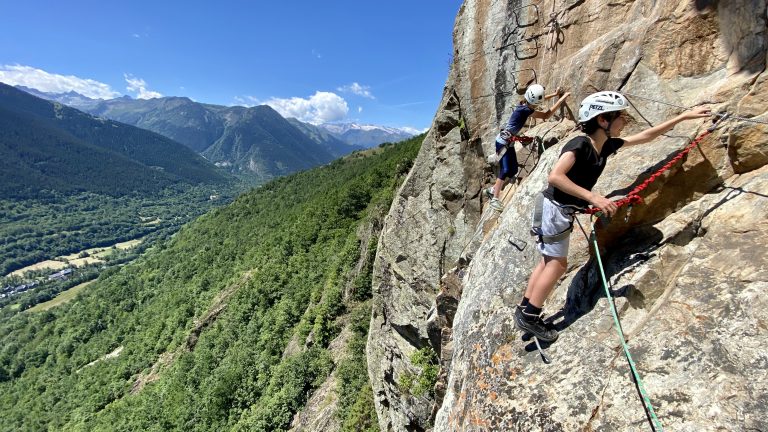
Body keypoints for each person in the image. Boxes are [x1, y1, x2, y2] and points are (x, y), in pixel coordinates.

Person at [514, 91, 711, 342]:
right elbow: (555, 176)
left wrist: (682, 117)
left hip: (557, 209)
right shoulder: (580, 144)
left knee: (547, 261)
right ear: (603, 120)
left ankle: (524, 309)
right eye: (621, 116)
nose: (625, 121)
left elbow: (644, 137)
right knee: (557, 264)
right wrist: (593, 197)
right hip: (555, 209)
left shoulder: (605, 146)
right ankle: (530, 316)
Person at [486, 84, 572, 211]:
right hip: (504, 142)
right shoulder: (525, 110)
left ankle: (492, 189)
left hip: (506, 141)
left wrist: (555, 94)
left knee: (513, 170)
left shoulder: (523, 104)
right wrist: (561, 99)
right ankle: (495, 198)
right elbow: (546, 115)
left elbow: (538, 102)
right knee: (506, 169)